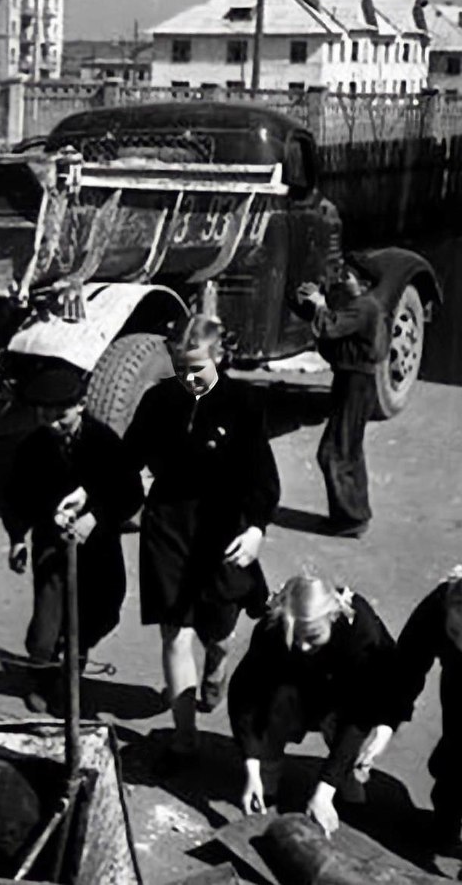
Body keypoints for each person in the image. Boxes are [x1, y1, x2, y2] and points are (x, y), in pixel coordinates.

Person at [124, 313, 280, 760]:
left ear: (220, 356)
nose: (189, 377)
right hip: (169, 525)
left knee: (219, 631)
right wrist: (96, 498)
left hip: (224, 528)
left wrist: (255, 529)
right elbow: (126, 458)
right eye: (181, 367)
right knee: (175, 634)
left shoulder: (243, 403)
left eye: (198, 368)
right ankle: (185, 737)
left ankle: (217, 665)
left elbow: (261, 476)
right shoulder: (158, 401)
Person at [1, 361, 143, 712]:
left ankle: (73, 666)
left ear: (80, 406)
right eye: (43, 414)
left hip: (99, 547)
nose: (51, 422)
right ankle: (43, 678)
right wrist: (18, 537)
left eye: (60, 414)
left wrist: (95, 517)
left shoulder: (104, 443)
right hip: (51, 545)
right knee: (46, 625)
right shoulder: (33, 447)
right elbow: (17, 495)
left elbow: (129, 494)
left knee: (100, 613)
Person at [229, 574, 402, 838]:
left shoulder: (361, 630)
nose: (303, 645)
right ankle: (270, 769)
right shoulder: (273, 628)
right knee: (278, 700)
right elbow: (246, 698)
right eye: (295, 637)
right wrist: (251, 766)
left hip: (347, 691)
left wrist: (325, 789)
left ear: (332, 618)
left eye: (312, 636)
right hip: (297, 686)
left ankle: (344, 773)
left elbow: (362, 712)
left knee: (346, 723)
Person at [294, 261, 389, 538]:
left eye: (347, 276)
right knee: (347, 451)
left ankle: (350, 518)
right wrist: (309, 304)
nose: (342, 279)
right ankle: (352, 515)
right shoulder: (364, 304)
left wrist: (320, 304)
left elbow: (331, 327)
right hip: (354, 382)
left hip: (356, 384)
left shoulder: (364, 306)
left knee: (335, 451)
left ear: (363, 283)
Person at [393, 567, 462, 855]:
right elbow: (408, 662)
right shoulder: (438, 604)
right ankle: (446, 818)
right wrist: (391, 717)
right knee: (456, 750)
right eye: (456, 632)